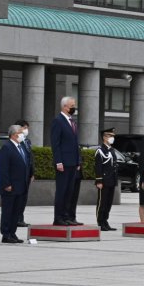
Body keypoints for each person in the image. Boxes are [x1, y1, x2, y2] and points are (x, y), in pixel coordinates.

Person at [51, 96, 81, 225]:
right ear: (64, 107)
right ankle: (58, 218)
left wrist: (78, 161)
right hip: (63, 163)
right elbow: (55, 143)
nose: (74, 108)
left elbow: (75, 143)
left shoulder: (72, 121)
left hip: (72, 162)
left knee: (70, 192)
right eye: (72, 106)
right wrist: (58, 161)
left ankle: (67, 216)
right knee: (62, 191)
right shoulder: (58, 121)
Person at [0, 125, 30, 243]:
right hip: (10, 186)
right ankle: (6, 234)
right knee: (8, 211)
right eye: (20, 132)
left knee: (16, 211)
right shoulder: (7, 147)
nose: (22, 134)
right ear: (14, 134)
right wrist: (6, 184)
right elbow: (4, 167)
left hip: (21, 186)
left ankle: (13, 232)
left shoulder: (21, 146)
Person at [94, 127, 118, 231]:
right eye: (110, 136)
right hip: (103, 180)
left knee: (108, 202)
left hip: (111, 180)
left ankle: (105, 221)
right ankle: (100, 222)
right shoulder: (100, 151)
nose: (112, 138)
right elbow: (98, 167)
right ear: (104, 137)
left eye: (113, 136)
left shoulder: (112, 150)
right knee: (102, 202)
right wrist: (99, 180)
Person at [15, 119, 34, 227]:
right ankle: (16, 218)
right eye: (24, 128)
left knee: (24, 197)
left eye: (27, 128)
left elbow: (30, 158)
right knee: (18, 197)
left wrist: (32, 173)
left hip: (27, 174)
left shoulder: (27, 141)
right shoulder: (17, 141)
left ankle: (20, 218)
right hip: (19, 174)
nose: (26, 130)